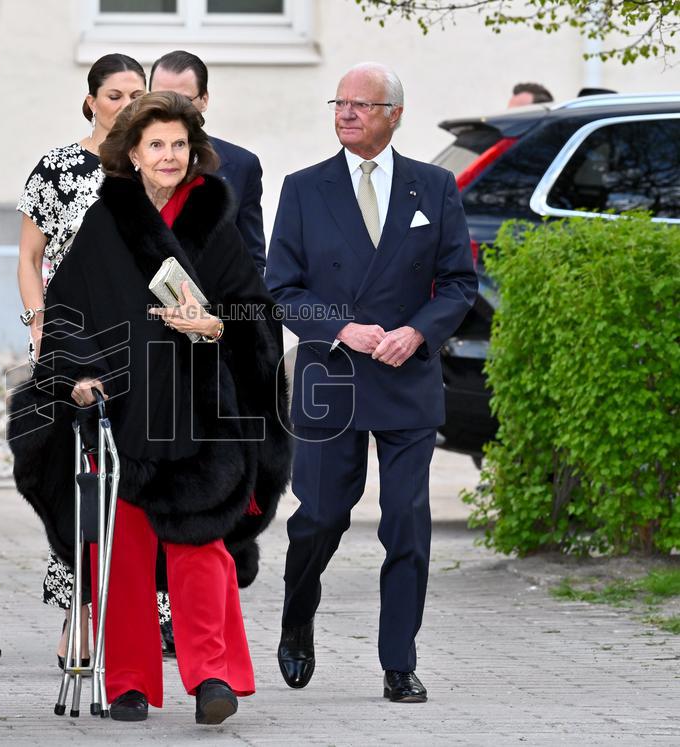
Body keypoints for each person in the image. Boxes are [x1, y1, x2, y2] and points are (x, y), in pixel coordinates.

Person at [9, 91, 290, 724]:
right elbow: (68, 314)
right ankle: (129, 682)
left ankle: (212, 678)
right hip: (125, 407)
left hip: (204, 410)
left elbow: (258, 316)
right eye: (156, 144)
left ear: (195, 152)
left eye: (179, 144)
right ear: (131, 152)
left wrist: (213, 324)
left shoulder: (214, 218)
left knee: (201, 546)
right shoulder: (104, 220)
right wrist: (79, 376)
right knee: (126, 551)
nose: (169, 155)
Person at [266, 62, 477, 702]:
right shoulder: (304, 189)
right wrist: (339, 328)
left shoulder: (434, 188)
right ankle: (298, 615)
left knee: (407, 526)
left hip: (406, 377)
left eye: (362, 104)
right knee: (321, 517)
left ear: (395, 114)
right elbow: (280, 290)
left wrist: (417, 332)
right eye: (340, 103)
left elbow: (460, 284)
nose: (347, 113)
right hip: (332, 379)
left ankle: (398, 662)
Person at [16, 52, 146, 672]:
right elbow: (29, 257)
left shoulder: (152, 165)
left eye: (136, 95)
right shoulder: (60, 168)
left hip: (141, 345)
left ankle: (147, 614)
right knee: (81, 480)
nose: (125, 105)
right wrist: (40, 329)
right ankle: (81, 612)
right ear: (91, 100)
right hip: (71, 344)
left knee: (145, 477)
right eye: (115, 95)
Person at [150, 50, 266, 275]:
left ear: (204, 100)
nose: (170, 109)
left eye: (182, 100)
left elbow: (252, 261)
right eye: (160, 98)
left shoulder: (242, 166)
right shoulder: (125, 160)